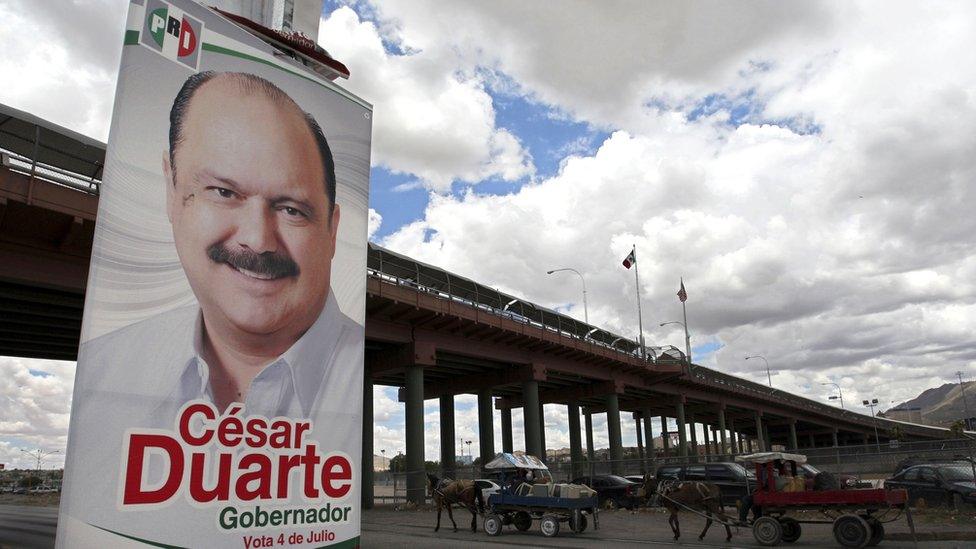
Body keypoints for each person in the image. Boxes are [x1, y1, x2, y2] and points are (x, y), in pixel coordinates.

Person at [59, 71, 363, 541]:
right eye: (224, 192)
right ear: (170, 189)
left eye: (291, 209)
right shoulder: (103, 371)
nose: (257, 240)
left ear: (332, 228)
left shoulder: (355, 378)